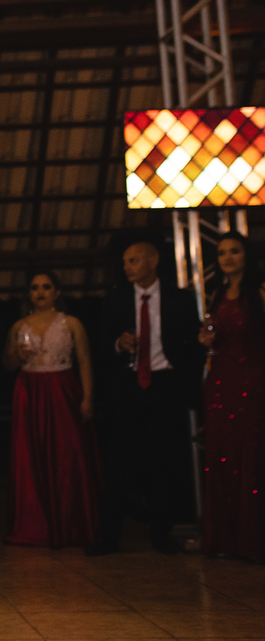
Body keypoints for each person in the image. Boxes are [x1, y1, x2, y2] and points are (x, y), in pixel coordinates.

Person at [89, 240, 204, 556]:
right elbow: (100, 345)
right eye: (125, 262)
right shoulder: (116, 301)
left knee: (163, 462)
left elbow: (194, 346)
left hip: (164, 384)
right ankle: (108, 536)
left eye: (134, 261)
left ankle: (161, 534)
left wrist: (183, 384)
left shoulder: (180, 300)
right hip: (128, 386)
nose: (127, 267)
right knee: (118, 462)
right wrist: (118, 344)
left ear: (153, 261)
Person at [1, 270, 100, 548]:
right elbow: (7, 363)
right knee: (31, 455)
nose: (40, 292)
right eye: (34, 288)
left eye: (46, 287)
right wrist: (16, 356)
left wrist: (88, 397)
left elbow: (84, 360)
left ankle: (72, 523)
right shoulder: (19, 325)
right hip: (29, 392)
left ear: (57, 292)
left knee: (68, 454)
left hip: (62, 390)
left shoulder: (71, 323)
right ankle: (35, 524)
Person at [197, 231, 265, 561]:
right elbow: (214, 336)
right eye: (222, 253)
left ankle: (254, 539)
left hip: (252, 381)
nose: (227, 258)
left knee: (251, 456)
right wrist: (206, 339)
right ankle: (227, 538)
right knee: (222, 457)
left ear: (246, 255)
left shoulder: (259, 292)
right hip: (221, 382)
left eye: (234, 251)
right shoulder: (218, 294)